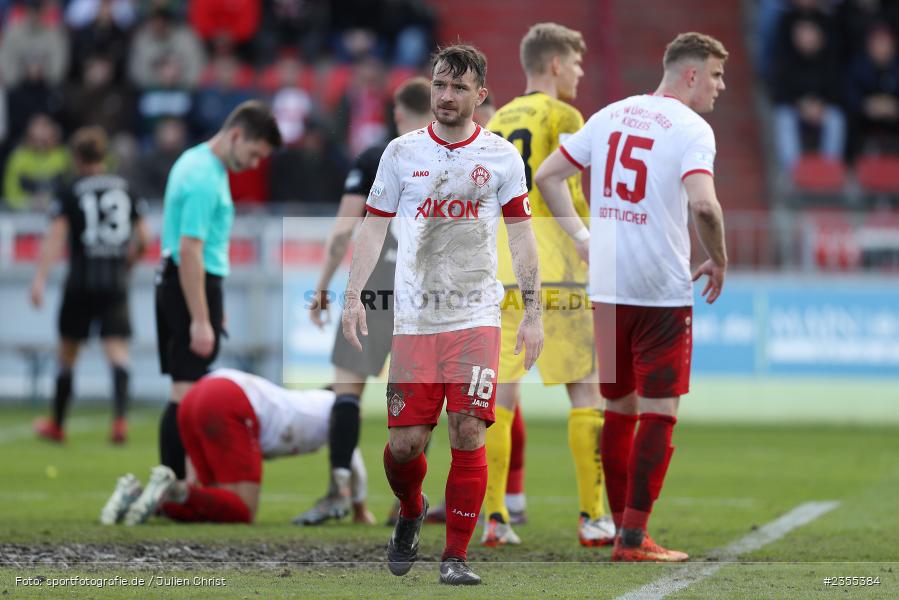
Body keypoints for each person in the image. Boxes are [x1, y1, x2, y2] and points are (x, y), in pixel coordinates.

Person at [342, 44, 543, 585]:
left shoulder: (501, 157)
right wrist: (353, 294)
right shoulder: (400, 153)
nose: (446, 95)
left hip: (476, 316)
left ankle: (455, 556)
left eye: (458, 87)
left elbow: (522, 238)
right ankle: (411, 508)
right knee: (405, 446)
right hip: (414, 321)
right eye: (439, 85)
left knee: (469, 430)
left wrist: (533, 311)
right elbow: (373, 227)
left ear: (480, 95)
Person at [536, 32, 729, 562]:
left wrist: (582, 238)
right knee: (659, 412)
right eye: (715, 75)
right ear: (691, 74)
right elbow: (705, 207)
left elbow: (548, 176)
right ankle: (634, 536)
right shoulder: (692, 128)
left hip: (608, 288)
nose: (720, 86)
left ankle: (623, 528)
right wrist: (719, 257)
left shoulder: (610, 115)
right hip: (660, 291)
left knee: (618, 407)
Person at [482, 22, 613, 549]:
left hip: (505, 268)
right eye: (576, 63)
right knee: (585, 387)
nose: (580, 73)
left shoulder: (498, 120)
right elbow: (566, 191)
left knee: (501, 392)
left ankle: (494, 518)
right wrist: (588, 237)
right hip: (557, 266)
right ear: (556, 64)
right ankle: (592, 517)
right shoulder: (564, 116)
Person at [294, 76, 434, 526]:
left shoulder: (377, 156)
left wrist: (322, 287)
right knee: (421, 401)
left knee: (347, 390)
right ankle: (407, 501)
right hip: (426, 292)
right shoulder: (449, 156)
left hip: (375, 285)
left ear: (397, 113)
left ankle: (339, 490)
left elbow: (343, 231)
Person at [155, 100, 281, 482]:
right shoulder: (204, 178)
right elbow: (190, 249)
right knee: (186, 393)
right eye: (254, 154)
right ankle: (175, 486)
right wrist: (200, 318)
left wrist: (213, 305)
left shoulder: (197, 162)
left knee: (187, 389)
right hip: (188, 283)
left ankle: (180, 483)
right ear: (237, 135)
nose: (254, 164)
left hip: (186, 282)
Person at [99, 368, 374, 525]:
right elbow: (354, 466)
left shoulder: (308, 402)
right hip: (228, 398)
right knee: (242, 510)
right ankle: (172, 490)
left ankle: (136, 496)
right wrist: (360, 511)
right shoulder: (337, 408)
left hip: (199, 394)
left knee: (211, 504)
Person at [30, 126, 150, 444]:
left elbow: (55, 236)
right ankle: (120, 420)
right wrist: (129, 263)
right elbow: (144, 238)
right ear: (104, 156)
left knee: (68, 353)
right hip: (115, 282)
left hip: (80, 282)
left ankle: (58, 424)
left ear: (76, 157)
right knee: (118, 352)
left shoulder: (71, 190)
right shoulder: (126, 188)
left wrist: (40, 278)